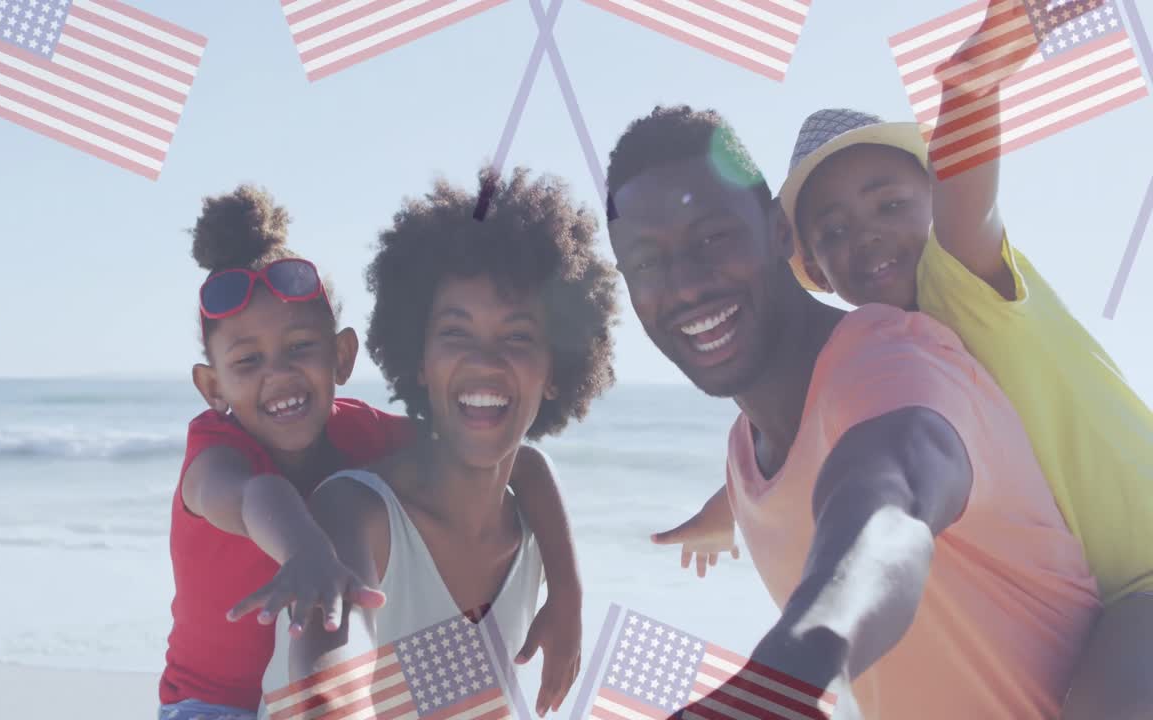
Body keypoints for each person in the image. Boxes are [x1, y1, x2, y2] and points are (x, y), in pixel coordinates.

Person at [606, 105, 1099, 719]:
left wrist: (776, 685)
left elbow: (886, 512)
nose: (684, 285)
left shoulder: (892, 358)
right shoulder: (744, 454)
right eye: (648, 263)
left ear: (780, 234)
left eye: (713, 238)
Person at [158, 185, 585, 720]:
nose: (280, 374)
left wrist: (566, 593)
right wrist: (304, 549)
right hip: (211, 705)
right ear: (212, 387)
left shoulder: (362, 432)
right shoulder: (213, 453)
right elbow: (254, 493)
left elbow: (513, 459)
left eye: (300, 349)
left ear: (342, 356)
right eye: (247, 363)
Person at [262, 167, 618, 718]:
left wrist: (569, 592)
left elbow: (529, 463)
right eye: (455, 331)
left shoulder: (529, 532)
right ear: (419, 360)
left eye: (518, 335)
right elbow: (328, 681)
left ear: (556, 369)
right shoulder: (355, 512)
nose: (484, 359)